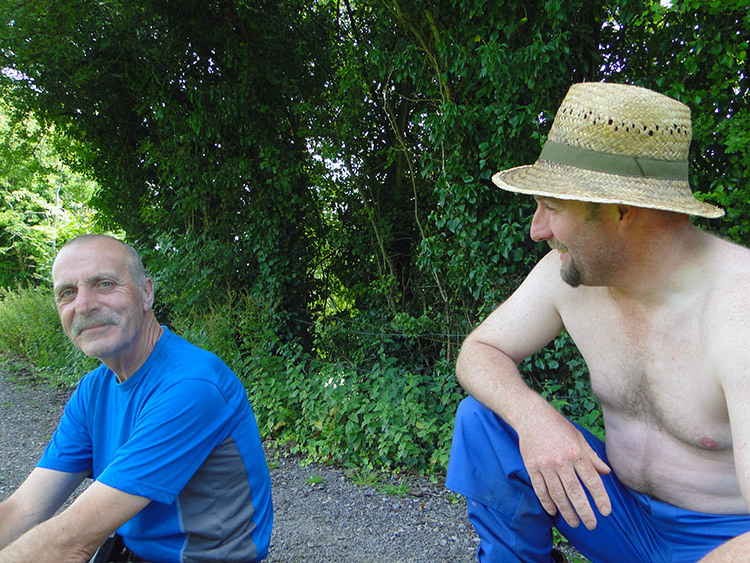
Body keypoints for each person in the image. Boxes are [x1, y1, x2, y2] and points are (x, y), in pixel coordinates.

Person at [446, 82, 750, 562]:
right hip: (619, 513)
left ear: (622, 210)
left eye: (554, 207)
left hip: (722, 541)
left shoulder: (740, 310)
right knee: (484, 422)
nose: (536, 229)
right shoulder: (568, 276)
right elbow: (479, 353)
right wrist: (532, 417)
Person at [0, 234, 273, 563]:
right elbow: (25, 508)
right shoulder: (94, 390)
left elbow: (70, 543)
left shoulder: (191, 385)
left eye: (104, 284)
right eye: (67, 293)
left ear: (146, 293)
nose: (83, 305)